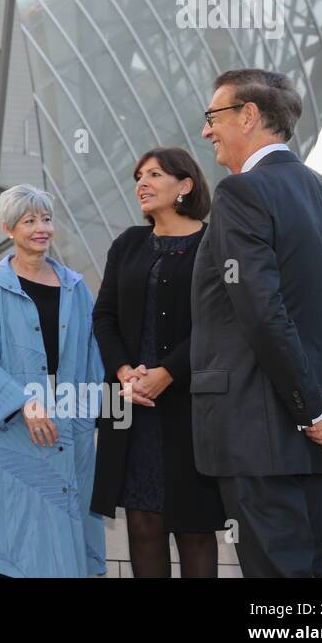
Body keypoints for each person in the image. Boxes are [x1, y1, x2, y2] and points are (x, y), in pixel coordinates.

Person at [189, 68, 322, 577]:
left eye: (213, 116)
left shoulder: (240, 193)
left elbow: (260, 309)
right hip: (313, 441)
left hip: (256, 432)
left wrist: (314, 409)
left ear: (248, 116)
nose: (206, 131)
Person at [91, 148, 225, 577]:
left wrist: (168, 371)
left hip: (192, 406)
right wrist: (123, 371)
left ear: (185, 185)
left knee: (196, 531)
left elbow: (221, 321)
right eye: (138, 176)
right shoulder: (128, 242)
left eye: (154, 174)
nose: (142, 183)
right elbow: (104, 315)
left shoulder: (214, 243)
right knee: (143, 525)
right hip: (134, 407)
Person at [0, 184, 106, 577]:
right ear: (9, 229)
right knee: (11, 527)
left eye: (45, 219)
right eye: (29, 221)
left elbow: (92, 353)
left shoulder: (76, 287)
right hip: (9, 430)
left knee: (65, 521)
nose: (41, 228)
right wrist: (24, 402)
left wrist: (87, 414)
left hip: (66, 421)